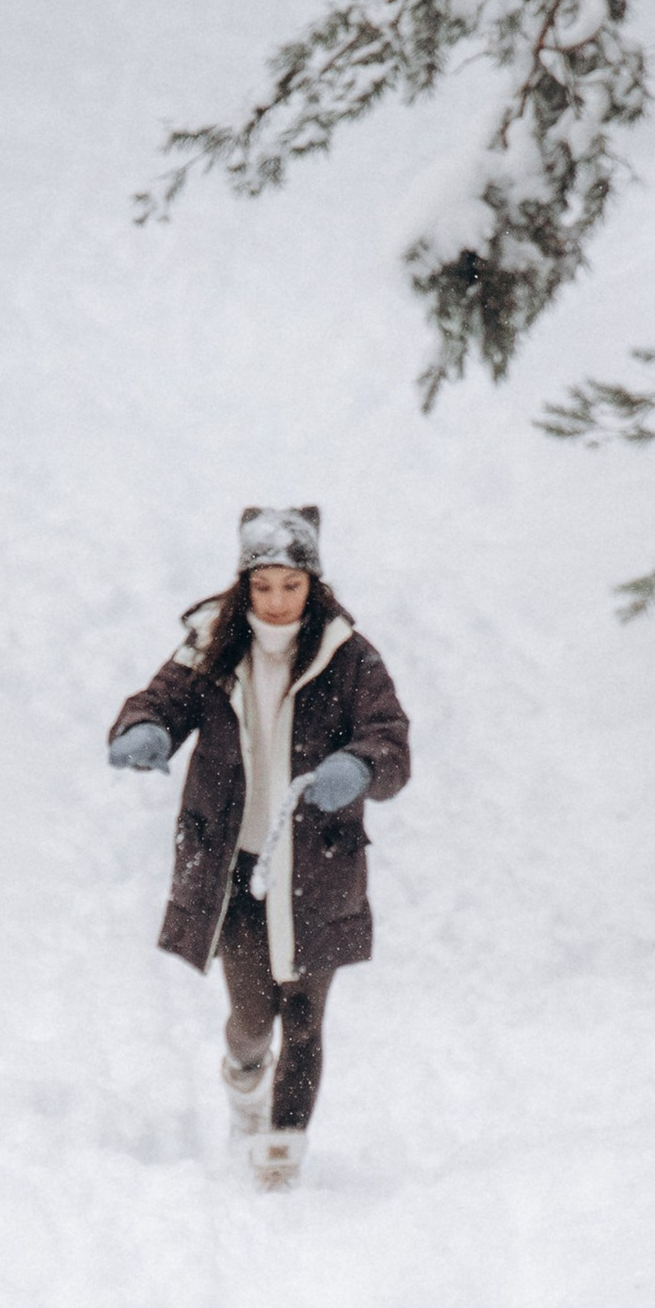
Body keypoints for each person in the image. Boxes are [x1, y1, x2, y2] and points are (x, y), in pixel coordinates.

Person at [107, 507, 411, 1189]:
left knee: (304, 1018)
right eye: (263, 585)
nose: (276, 602)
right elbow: (161, 700)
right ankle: (245, 1088)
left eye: (291, 586)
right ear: (245, 585)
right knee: (252, 1016)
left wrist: (360, 766)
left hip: (319, 866)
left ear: (314, 585)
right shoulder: (210, 647)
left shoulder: (351, 657)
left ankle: (281, 1156)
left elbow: (390, 739)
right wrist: (146, 730)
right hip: (235, 869)